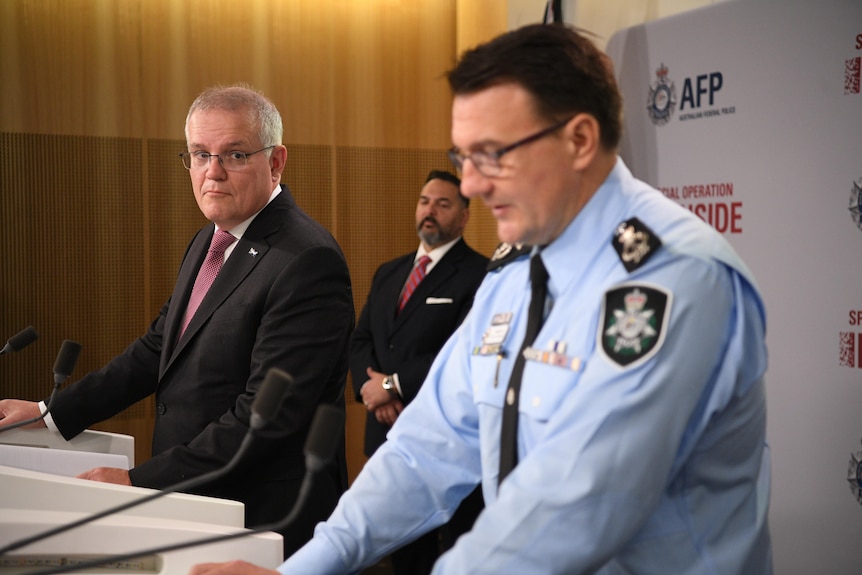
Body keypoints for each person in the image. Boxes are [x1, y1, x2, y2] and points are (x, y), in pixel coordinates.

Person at [190, 23, 773, 575]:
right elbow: (426, 449)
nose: (469, 185)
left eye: (492, 153)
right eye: (462, 158)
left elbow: (569, 512)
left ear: (579, 139)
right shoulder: (515, 269)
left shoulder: (674, 279)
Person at [0, 84, 355, 557]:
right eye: (200, 154)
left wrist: (140, 480)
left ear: (276, 162)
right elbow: (158, 347)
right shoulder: (209, 240)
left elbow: (265, 419)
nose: (213, 172)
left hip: (263, 516)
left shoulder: (306, 261)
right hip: (198, 504)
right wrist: (52, 414)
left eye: (234, 154)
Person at [352, 170, 487, 574]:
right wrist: (370, 389)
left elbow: (463, 351)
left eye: (443, 204)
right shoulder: (388, 272)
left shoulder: (480, 275)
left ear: (464, 217)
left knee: (453, 555)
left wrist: (393, 386)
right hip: (387, 434)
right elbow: (360, 342)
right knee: (404, 553)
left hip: (446, 439)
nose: (430, 211)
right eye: (425, 201)